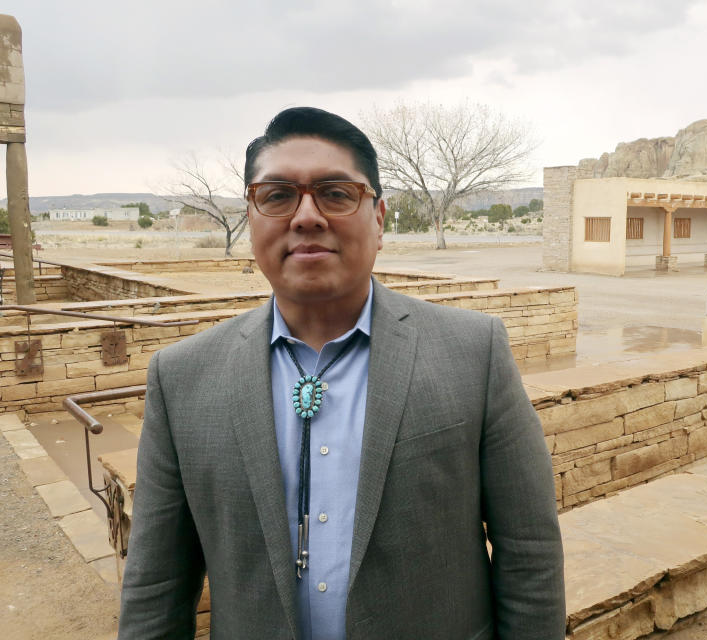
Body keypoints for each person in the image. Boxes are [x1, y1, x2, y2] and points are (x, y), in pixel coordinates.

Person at [117, 107, 565, 640]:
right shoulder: (183, 378)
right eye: (278, 195)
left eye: (335, 193)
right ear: (250, 217)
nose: (307, 216)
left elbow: (529, 552)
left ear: (378, 217)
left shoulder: (472, 352)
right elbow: (156, 587)